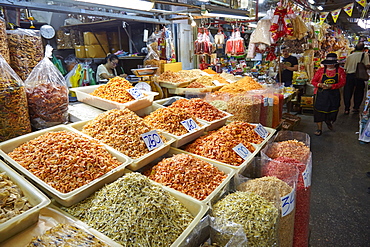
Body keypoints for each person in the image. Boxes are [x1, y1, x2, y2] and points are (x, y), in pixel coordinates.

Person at [311, 53, 346, 136]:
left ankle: (328, 121)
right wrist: (319, 85)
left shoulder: (340, 71)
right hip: (322, 95)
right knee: (319, 111)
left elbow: (343, 82)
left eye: (332, 64)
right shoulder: (320, 71)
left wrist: (332, 86)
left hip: (334, 95)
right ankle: (319, 128)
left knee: (332, 111)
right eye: (328, 64)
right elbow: (313, 81)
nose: (330, 66)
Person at [343, 42, 370, 114]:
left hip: (349, 76)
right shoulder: (365, 55)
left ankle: (346, 108)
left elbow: (345, 68)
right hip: (359, 76)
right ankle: (356, 107)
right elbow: (367, 65)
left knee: (347, 92)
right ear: (363, 49)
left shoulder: (350, 56)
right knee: (359, 92)